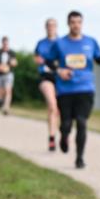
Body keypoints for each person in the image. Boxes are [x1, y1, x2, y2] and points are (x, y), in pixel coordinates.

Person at [45, 11, 100, 168]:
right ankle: (64, 136)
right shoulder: (60, 43)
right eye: (73, 22)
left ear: (82, 23)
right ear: (68, 24)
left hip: (85, 88)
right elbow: (48, 62)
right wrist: (59, 71)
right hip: (65, 90)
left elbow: (98, 58)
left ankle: (79, 158)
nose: (76, 25)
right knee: (66, 124)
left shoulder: (90, 42)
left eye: (79, 22)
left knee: (82, 122)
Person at [34, 18, 61, 151]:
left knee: (60, 110)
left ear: (57, 27)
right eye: (49, 25)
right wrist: (38, 60)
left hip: (60, 78)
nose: (51, 27)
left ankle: (62, 131)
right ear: (45, 27)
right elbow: (37, 58)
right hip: (46, 77)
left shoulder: (62, 42)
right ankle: (51, 138)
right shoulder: (41, 43)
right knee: (52, 105)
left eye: (53, 25)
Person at [0, 36, 18, 115]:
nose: (5, 44)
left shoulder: (12, 53)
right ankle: (0, 102)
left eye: (6, 43)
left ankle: (6, 107)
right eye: (4, 43)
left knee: (8, 90)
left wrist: (9, 65)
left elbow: (15, 62)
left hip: (8, 74)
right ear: (2, 43)